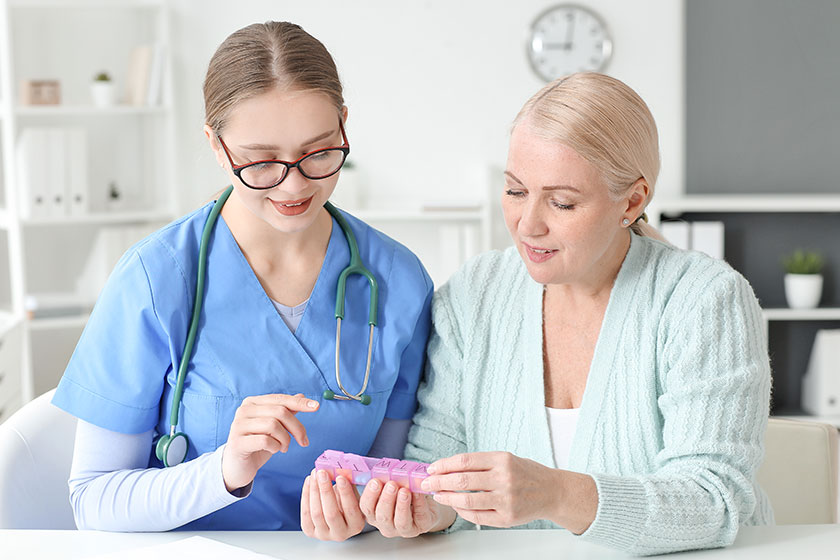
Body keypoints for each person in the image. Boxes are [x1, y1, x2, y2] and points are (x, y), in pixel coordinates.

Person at [354, 73, 773, 555]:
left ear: (632, 201)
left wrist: (555, 494)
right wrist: (430, 510)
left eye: (562, 202)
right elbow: (438, 464)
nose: (528, 224)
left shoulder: (704, 300)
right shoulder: (476, 293)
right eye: (515, 191)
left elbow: (713, 501)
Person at [51, 21, 432, 533]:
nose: (293, 185)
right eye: (260, 161)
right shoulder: (156, 279)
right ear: (215, 144)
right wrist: (224, 470)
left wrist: (366, 516)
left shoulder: (399, 281)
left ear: (344, 124)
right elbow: (93, 501)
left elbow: (388, 477)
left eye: (319, 152)